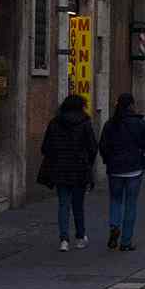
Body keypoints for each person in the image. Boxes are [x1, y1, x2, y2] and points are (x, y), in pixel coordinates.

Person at [98, 93, 145, 252]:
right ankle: (126, 242)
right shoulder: (139, 123)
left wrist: (108, 160)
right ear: (131, 105)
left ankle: (114, 226)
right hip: (134, 169)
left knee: (115, 200)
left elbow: (103, 146)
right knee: (131, 204)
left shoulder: (110, 124)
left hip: (115, 169)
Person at [38, 94, 98, 252]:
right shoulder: (85, 123)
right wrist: (87, 163)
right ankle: (80, 237)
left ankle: (64, 240)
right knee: (78, 205)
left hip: (60, 169)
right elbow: (92, 148)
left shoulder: (54, 123)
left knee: (63, 204)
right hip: (79, 169)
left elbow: (45, 147)